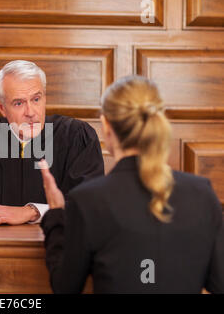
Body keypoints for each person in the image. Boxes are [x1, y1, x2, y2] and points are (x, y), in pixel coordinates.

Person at [39, 76, 224, 293]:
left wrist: (56, 214)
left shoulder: (88, 200)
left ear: (106, 125)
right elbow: (219, 283)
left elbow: (65, 288)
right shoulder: (202, 193)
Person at [0, 60, 104, 226]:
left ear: (45, 98)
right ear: (1, 107)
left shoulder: (76, 136)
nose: (30, 112)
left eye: (36, 99)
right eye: (18, 103)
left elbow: (90, 206)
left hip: (57, 247)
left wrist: (32, 211)